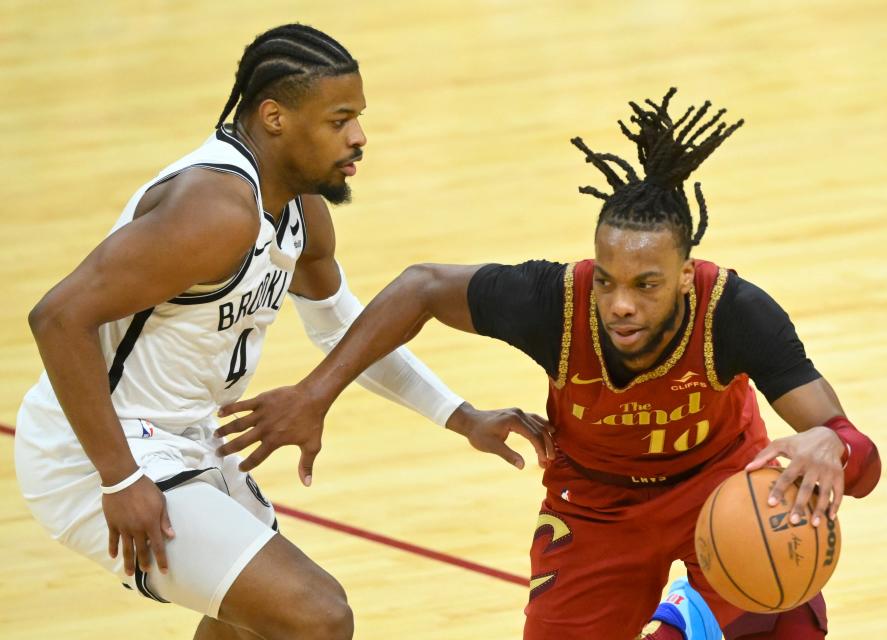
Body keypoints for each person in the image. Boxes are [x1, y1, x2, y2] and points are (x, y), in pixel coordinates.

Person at [215, 88, 882, 640]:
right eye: (608, 280)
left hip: (718, 489)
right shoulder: (553, 303)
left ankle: (693, 620)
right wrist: (315, 393)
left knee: (784, 605)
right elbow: (420, 288)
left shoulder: (735, 311)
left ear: (686, 277)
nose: (619, 304)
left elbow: (862, 458)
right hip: (596, 506)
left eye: (645, 285)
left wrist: (832, 443)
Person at [15, 24, 550, 640]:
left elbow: (347, 335)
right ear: (274, 117)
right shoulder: (214, 211)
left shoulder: (300, 209)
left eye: (359, 117)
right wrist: (120, 478)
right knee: (318, 618)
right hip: (94, 450)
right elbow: (56, 319)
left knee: (252, 625)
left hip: (183, 435)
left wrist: (461, 416)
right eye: (339, 120)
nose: (359, 137)